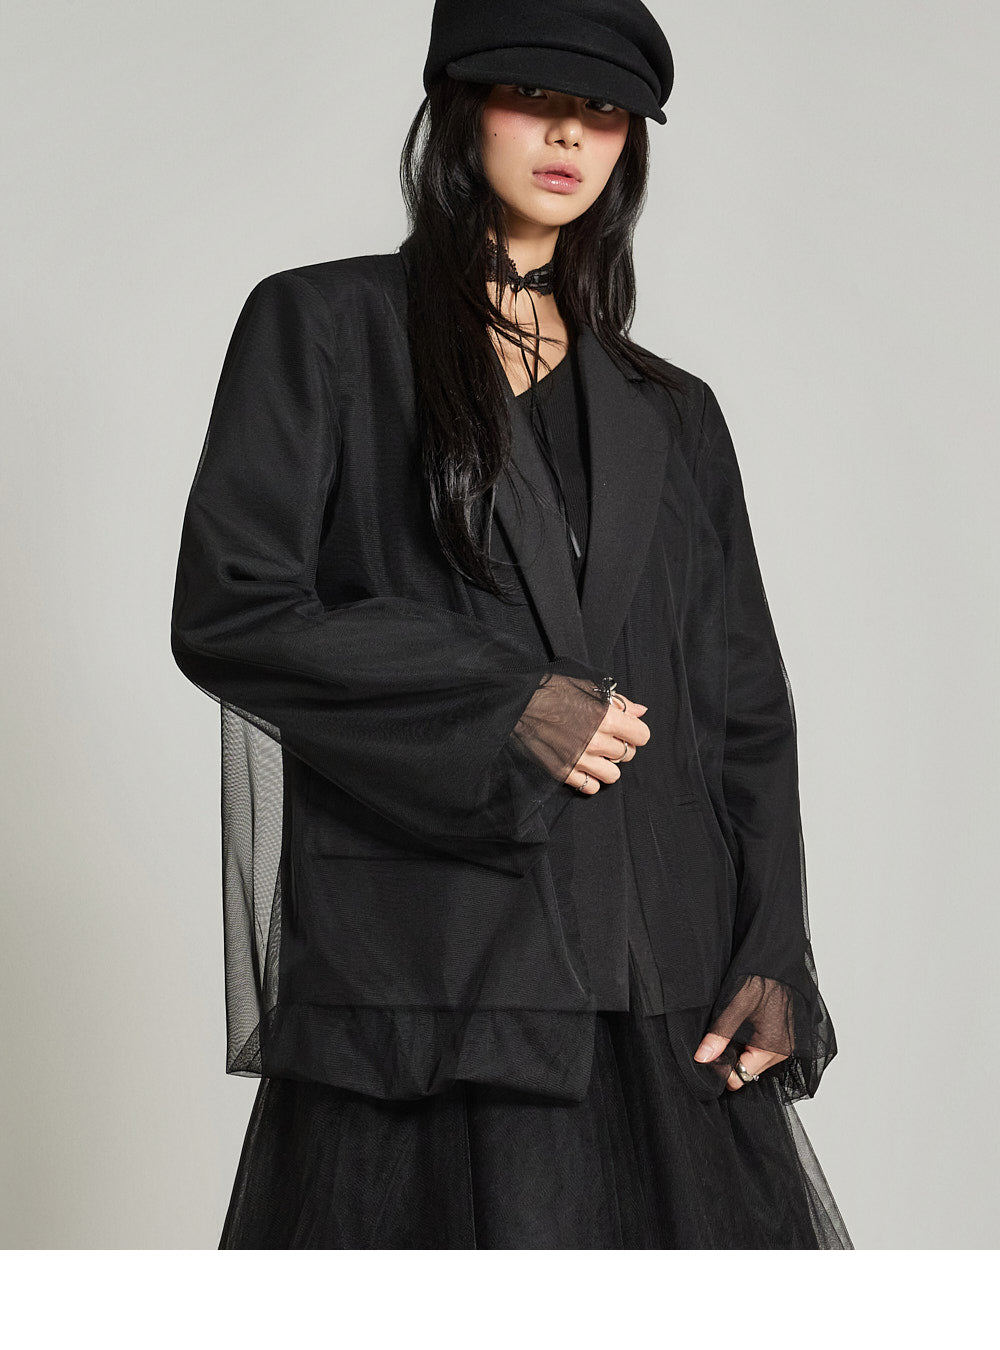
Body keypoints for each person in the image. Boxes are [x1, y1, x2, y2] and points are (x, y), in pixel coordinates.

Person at [170, 0, 854, 1248]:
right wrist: (505, 704)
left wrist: (769, 946)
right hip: (435, 976)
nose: (569, 135)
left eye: (603, 113)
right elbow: (235, 608)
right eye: (533, 97)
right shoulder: (324, 326)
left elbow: (741, 700)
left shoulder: (672, 410)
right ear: (457, 110)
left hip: (660, 983)